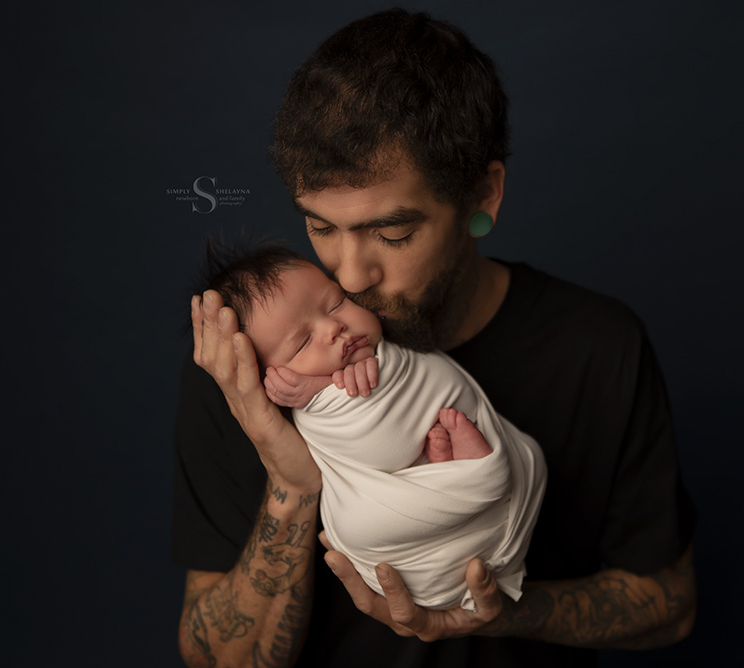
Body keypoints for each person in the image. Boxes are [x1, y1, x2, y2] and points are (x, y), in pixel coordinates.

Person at [173, 9, 697, 668]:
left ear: (483, 196)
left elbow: (670, 605)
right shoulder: (249, 362)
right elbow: (219, 655)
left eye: (392, 234)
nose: (349, 274)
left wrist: (511, 614)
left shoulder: (598, 346)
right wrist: (291, 481)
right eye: (321, 228)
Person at [200, 244, 546, 611]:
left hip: (494, 523)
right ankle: (455, 469)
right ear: (268, 380)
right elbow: (377, 446)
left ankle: (449, 468)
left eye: (335, 303)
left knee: (472, 420)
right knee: (354, 528)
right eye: (302, 343)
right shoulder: (283, 409)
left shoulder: (394, 346)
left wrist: (341, 380)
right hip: (416, 560)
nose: (333, 327)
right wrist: (321, 394)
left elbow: (421, 387)